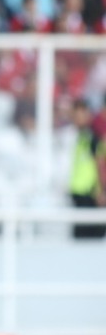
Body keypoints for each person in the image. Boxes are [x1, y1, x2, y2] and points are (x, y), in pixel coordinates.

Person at [68, 98, 106, 238]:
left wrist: (102, 191)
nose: (77, 119)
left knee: (88, 237)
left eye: (81, 115)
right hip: (79, 191)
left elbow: (100, 164)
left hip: (90, 194)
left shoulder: (93, 137)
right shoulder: (81, 136)